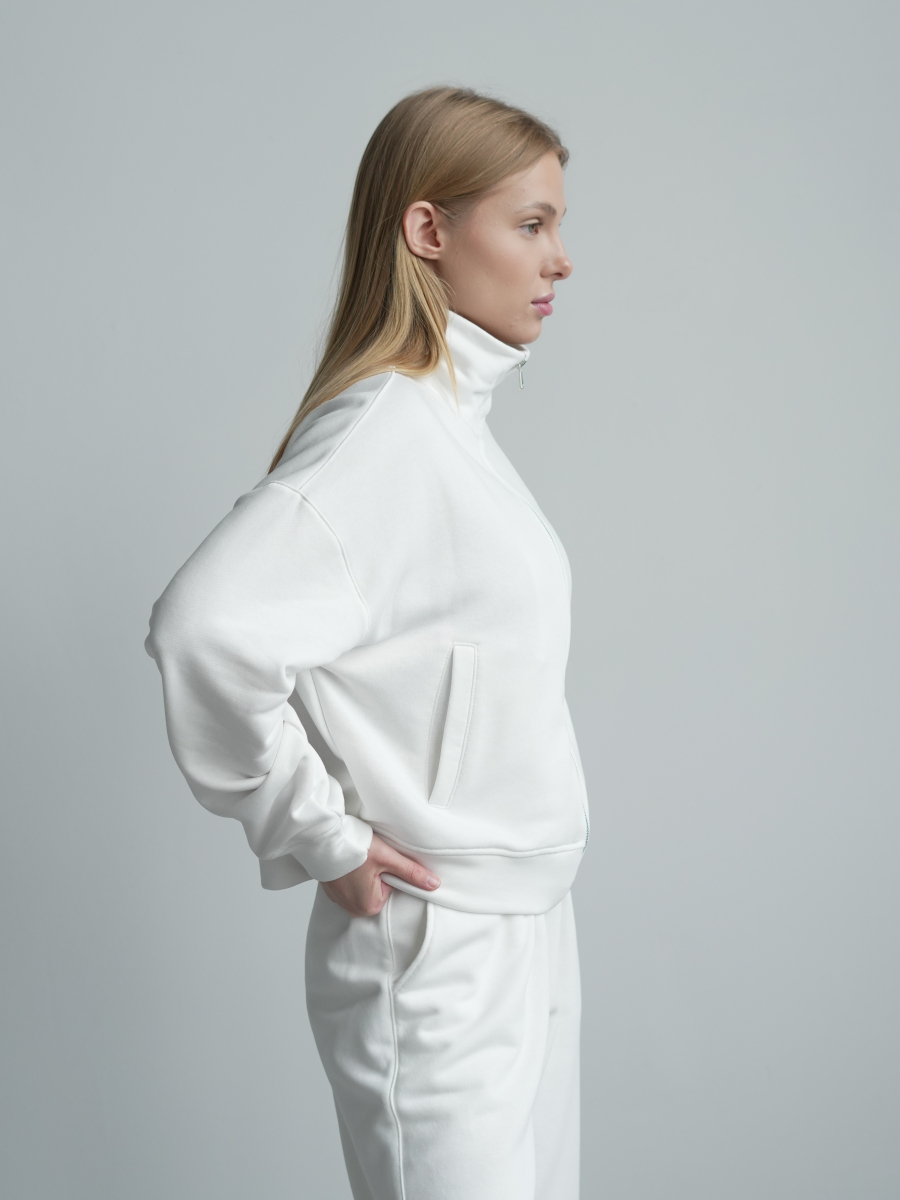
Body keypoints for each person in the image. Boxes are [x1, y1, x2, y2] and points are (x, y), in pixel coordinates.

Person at [146, 86, 585, 1200]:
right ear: (429, 229)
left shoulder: (453, 429)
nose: (561, 259)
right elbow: (204, 627)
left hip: (528, 927)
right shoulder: (385, 430)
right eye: (530, 224)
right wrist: (318, 833)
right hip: (437, 946)